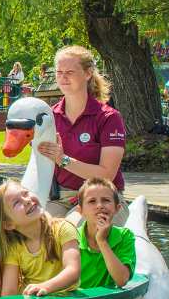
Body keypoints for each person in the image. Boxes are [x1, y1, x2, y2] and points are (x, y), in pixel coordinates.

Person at [34, 45, 128, 212]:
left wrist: (62, 159)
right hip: (60, 198)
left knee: (75, 226)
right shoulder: (49, 117)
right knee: (33, 224)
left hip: (101, 197)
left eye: (70, 72)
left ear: (88, 73)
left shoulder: (109, 117)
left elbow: (107, 175)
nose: (63, 77)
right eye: (59, 72)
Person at [0, 181, 81, 297]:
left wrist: (45, 287)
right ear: (9, 224)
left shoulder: (63, 229)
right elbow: (9, 293)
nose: (27, 200)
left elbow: (73, 271)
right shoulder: (15, 247)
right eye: (16, 202)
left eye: (25, 193)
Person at [76, 178, 135, 290]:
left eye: (106, 200)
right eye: (92, 201)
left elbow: (122, 280)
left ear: (117, 208)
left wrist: (102, 241)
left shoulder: (125, 236)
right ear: (81, 211)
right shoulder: (72, 238)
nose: (99, 205)